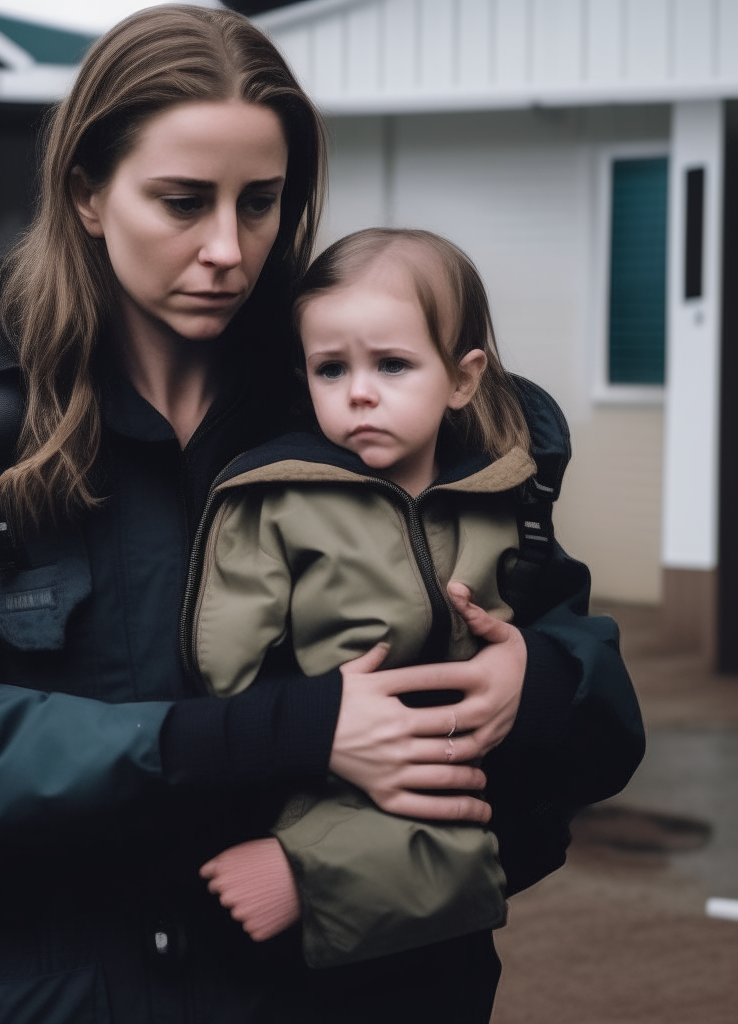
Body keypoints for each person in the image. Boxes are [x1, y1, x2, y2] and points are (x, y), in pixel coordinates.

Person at [0, 7, 644, 1023]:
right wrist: (261, 735)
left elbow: (592, 714)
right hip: (73, 990)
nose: (228, 250)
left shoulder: (367, 400)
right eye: (183, 202)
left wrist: (532, 680)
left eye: (262, 203)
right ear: (88, 195)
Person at [194, 227, 547, 969]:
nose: (358, 392)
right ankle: (311, 869)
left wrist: (525, 663)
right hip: (326, 777)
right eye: (331, 369)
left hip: (470, 775)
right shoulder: (278, 497)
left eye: (392, 364)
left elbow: (549, 624)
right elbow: (223, 670)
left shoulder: (500, 494)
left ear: (462, 378)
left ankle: (322, 876)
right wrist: (316, 713)